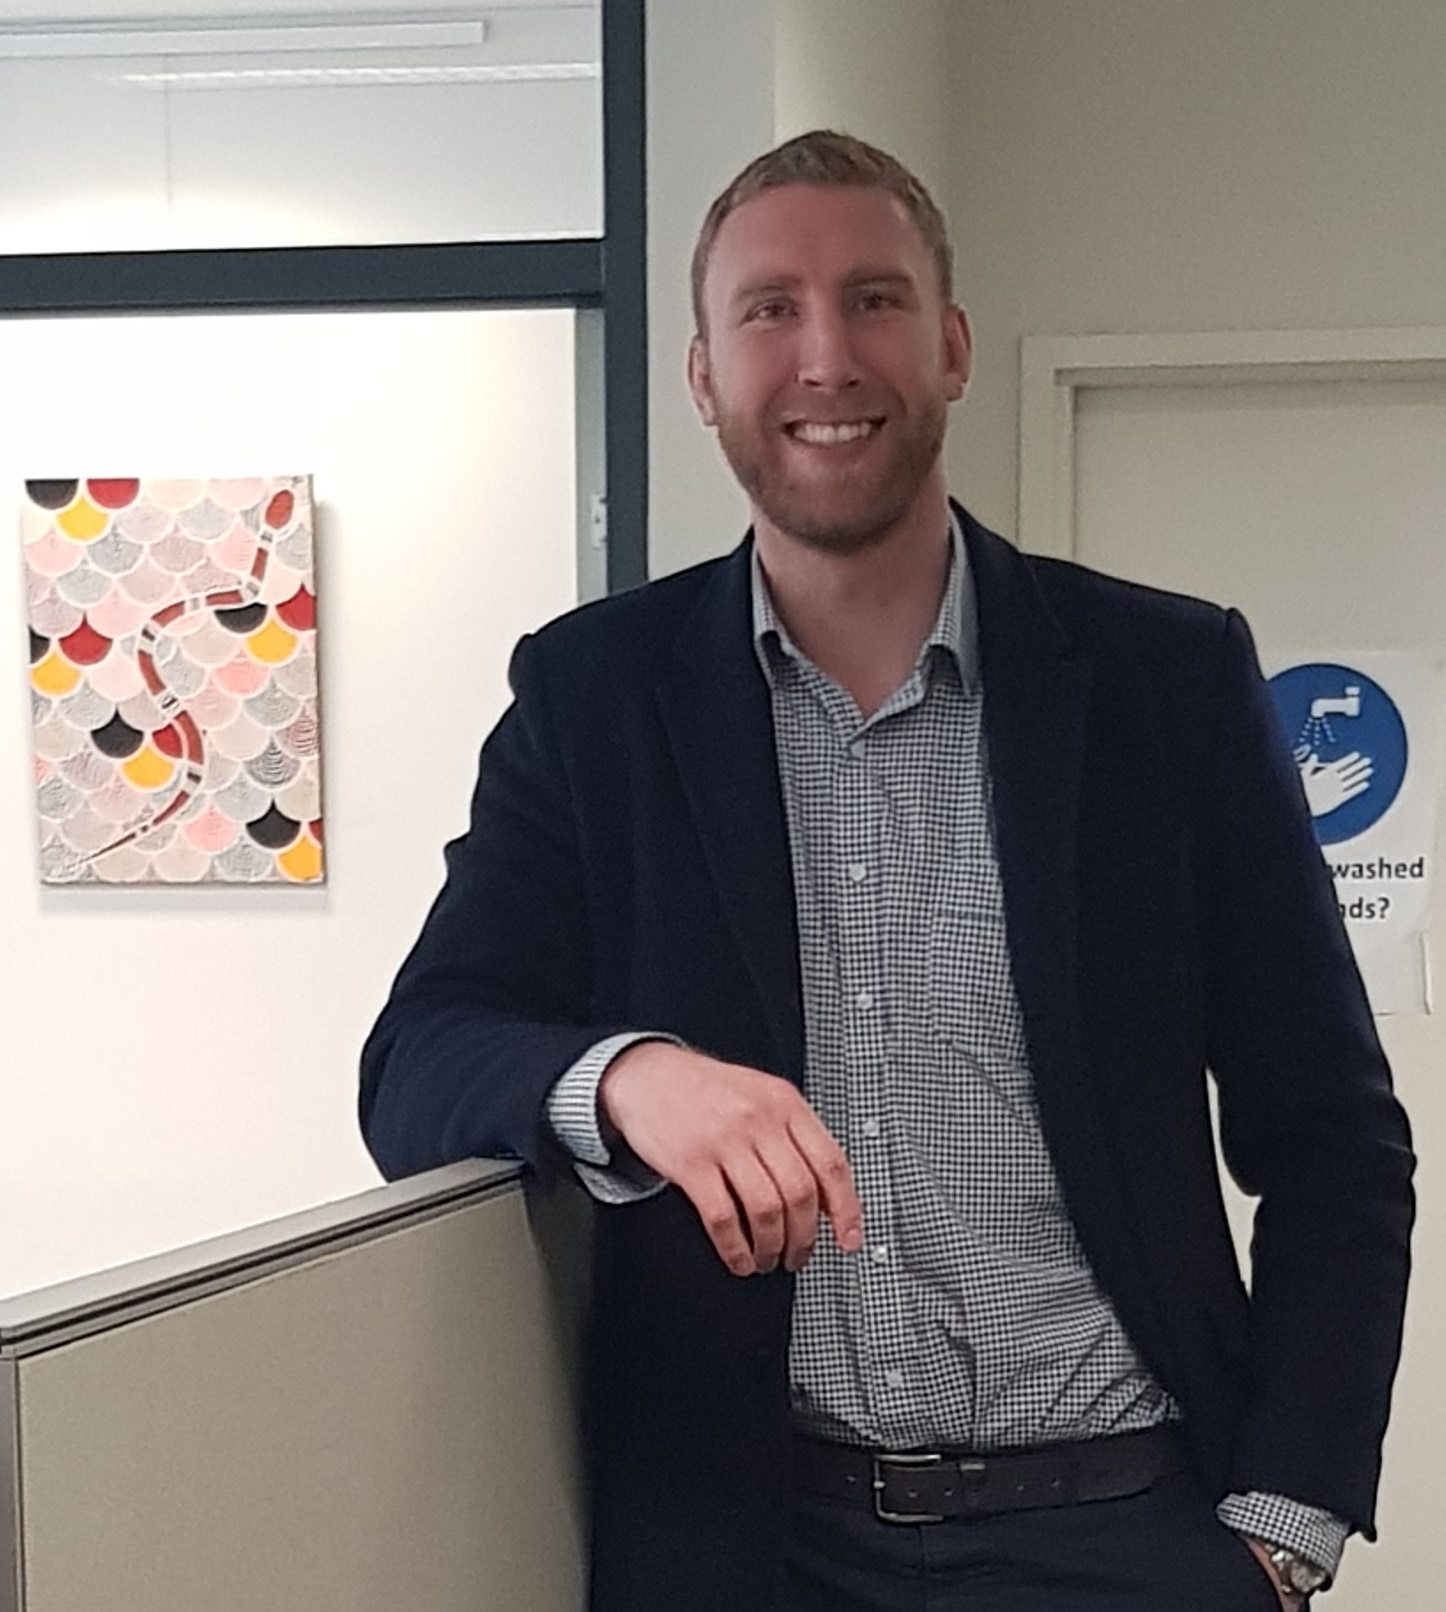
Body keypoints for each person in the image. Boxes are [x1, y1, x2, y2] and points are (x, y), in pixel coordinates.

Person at [359, 131, 1414, 1611]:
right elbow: (416, 1064)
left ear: (951, 345)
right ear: (704, 374)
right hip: (750, 1542)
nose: (823, 357)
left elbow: (1332, 1139)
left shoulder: (1163, 681)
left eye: (872, 300)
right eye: (767, 311)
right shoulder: (592, 699)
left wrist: (1284, 1518)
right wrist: (630, 1078)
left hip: (1126, 1532)